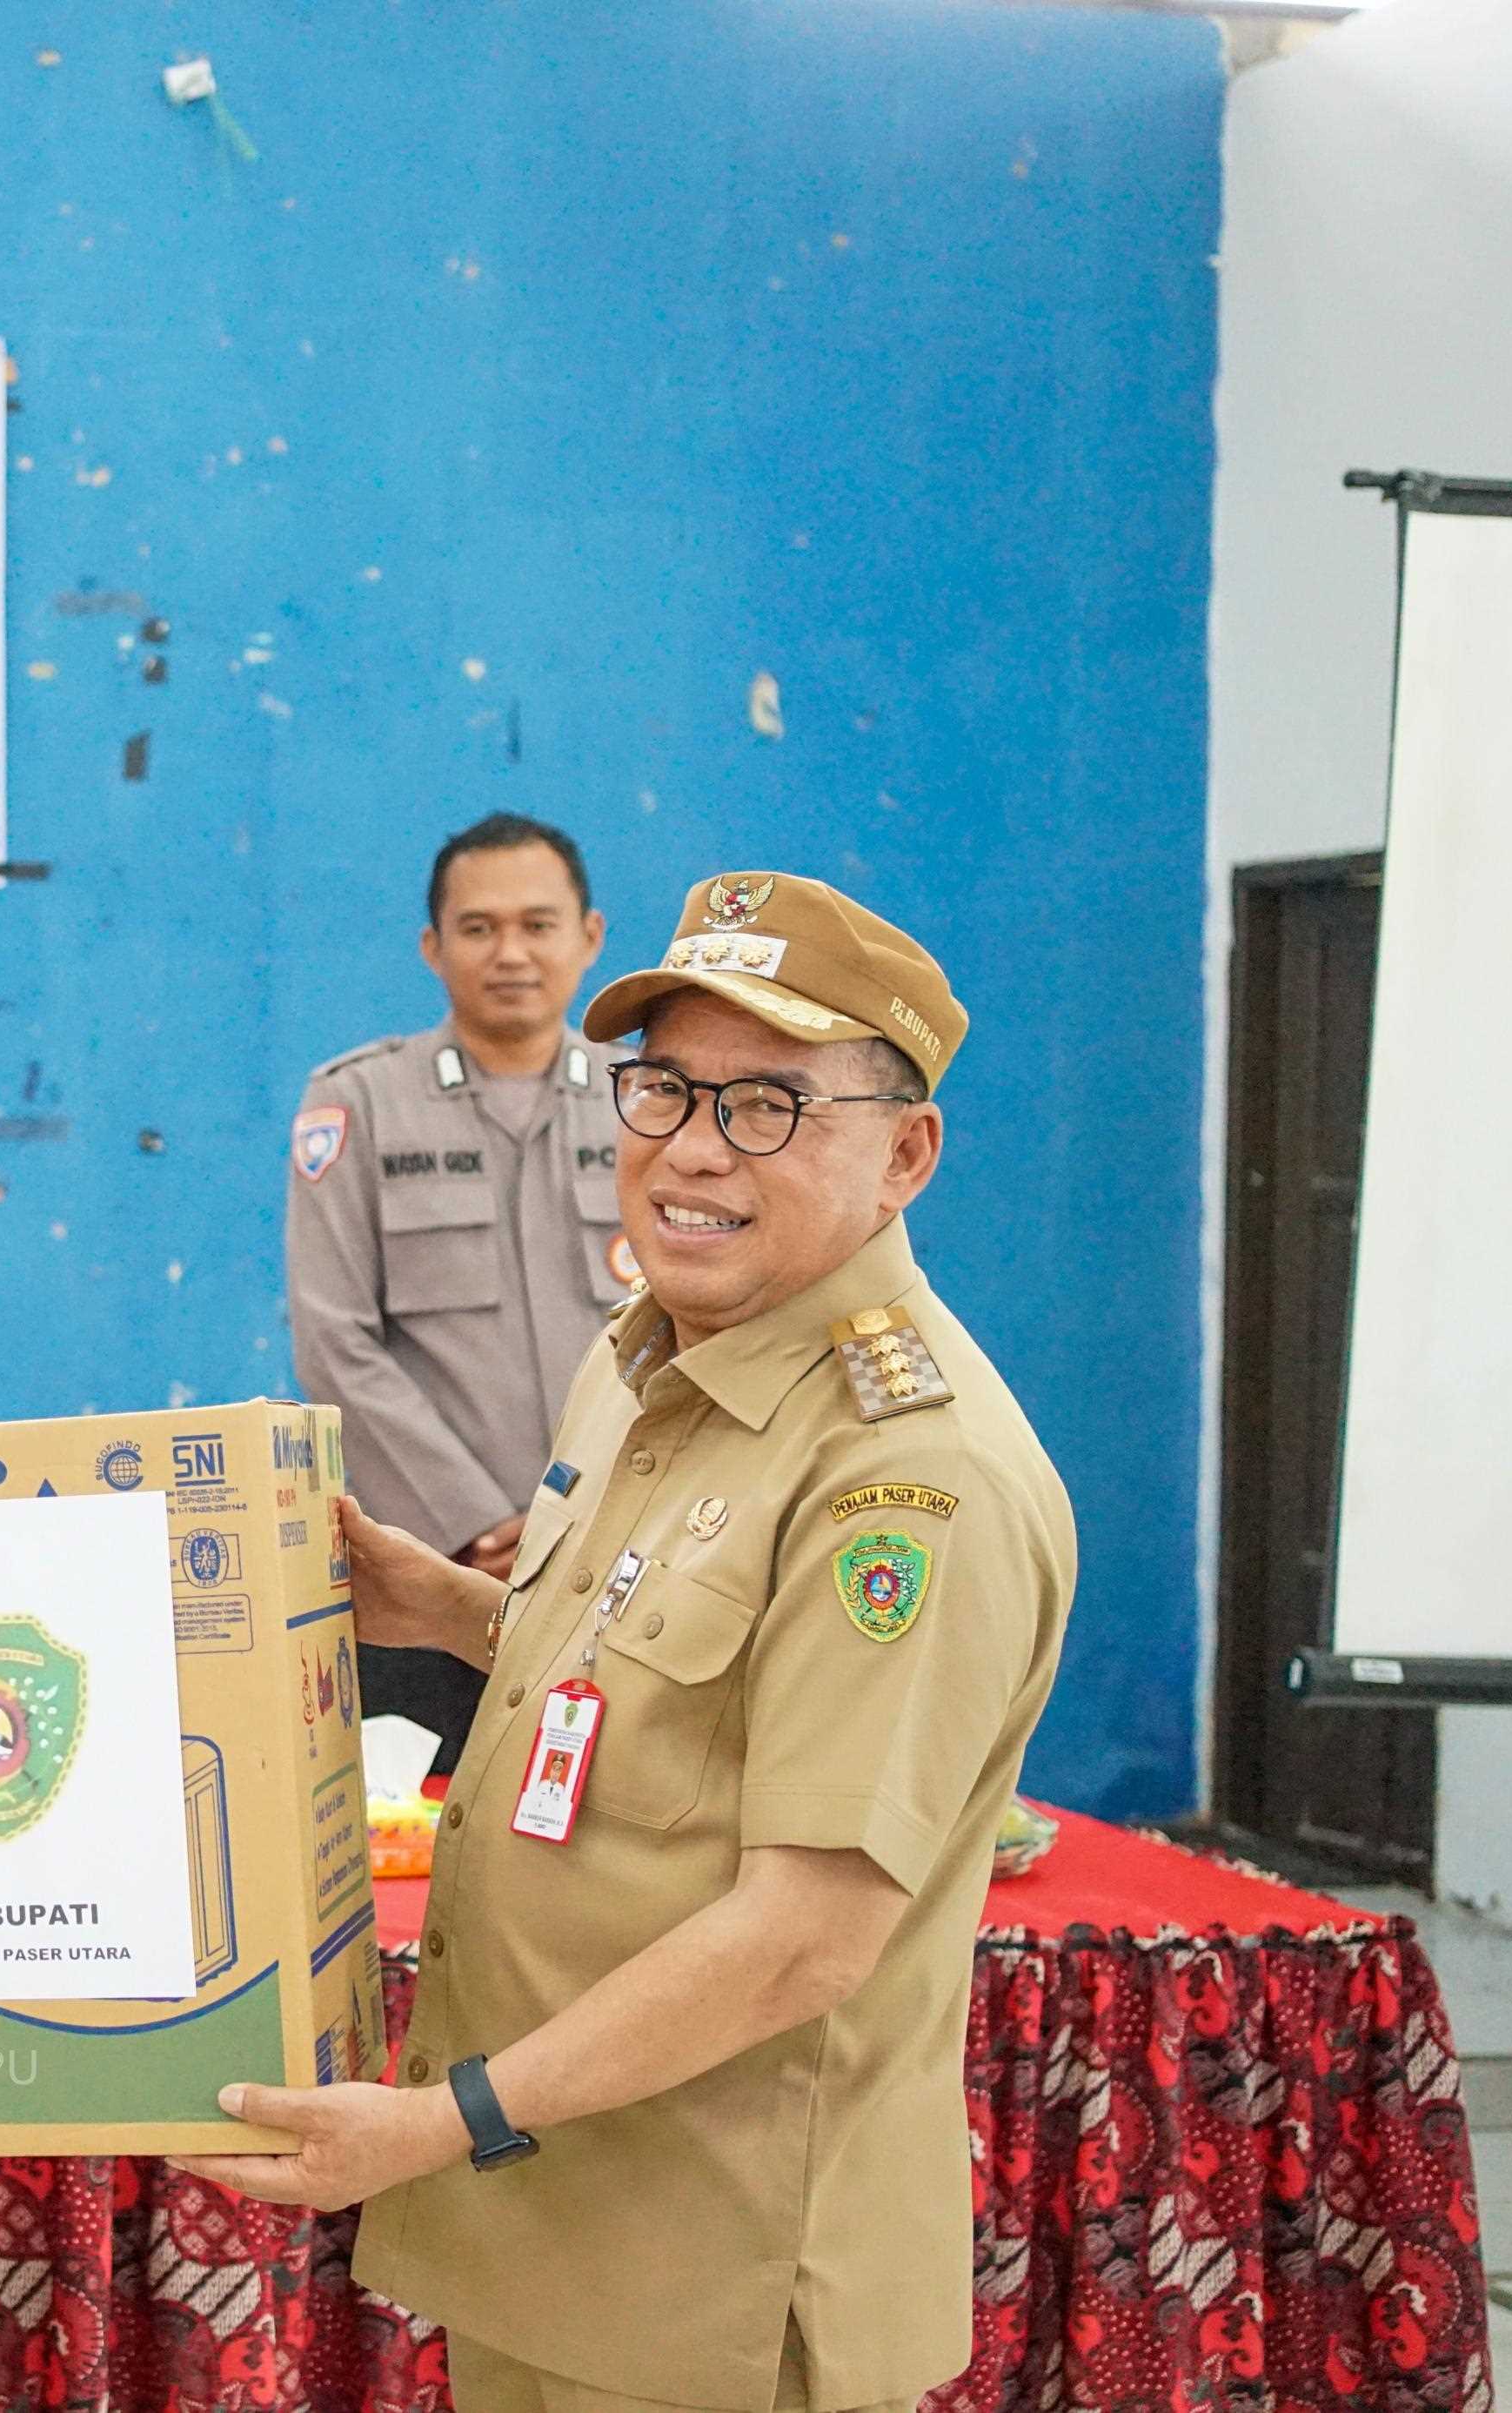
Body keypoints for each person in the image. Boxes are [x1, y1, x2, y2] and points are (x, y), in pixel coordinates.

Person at [181, 871, 1076, 2413]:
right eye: (662, 1088)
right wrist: (443, 1605)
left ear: (905, 1153)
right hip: (555, 2233)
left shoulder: (905, 1480)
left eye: (771, 1105)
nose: (691, 1148)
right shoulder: (653, 1355)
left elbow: (807, 1931)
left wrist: (440, 2118)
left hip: (711, 2290)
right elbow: (656, 1683)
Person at [285, 813, 624, 1768]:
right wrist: (480, 1531)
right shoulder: (357, 1102)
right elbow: (332, 1342)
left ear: (589, 936)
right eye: (477, 928)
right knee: (413, 1855)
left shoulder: (649, 1101)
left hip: (620, 1570)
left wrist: (578, 1526)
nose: (509, 952)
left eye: (537, 923)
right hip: (426, 1577)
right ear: (433, 947)